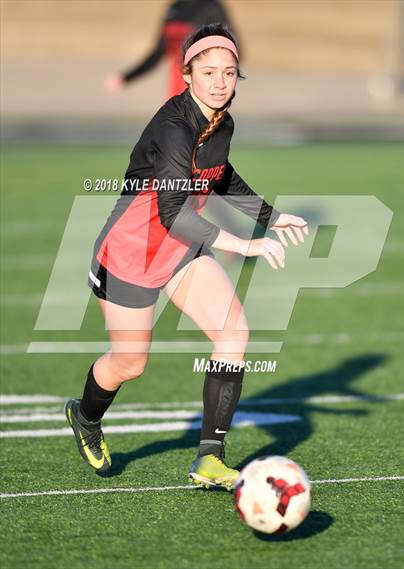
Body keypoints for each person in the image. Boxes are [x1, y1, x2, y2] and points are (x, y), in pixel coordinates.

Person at [65, 23, 308, 491]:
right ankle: (86, 416)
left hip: (181, 250)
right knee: (130, 364)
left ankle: (210, 458)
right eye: (209, 71)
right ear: (187, 75)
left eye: (230, 72)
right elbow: (172, 211)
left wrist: (270, 218)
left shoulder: (222, 121)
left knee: (234, 332)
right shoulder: (173, 126)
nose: (220, 81)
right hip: (131, 252)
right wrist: (244, 244)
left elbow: (220, 176)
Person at [105, 0, 237, 100]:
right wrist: (126, 78)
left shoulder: (211, 7)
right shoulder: (174, 9)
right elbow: (157, 53)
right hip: (175, 95)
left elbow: (234, 47)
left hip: (204, 95)